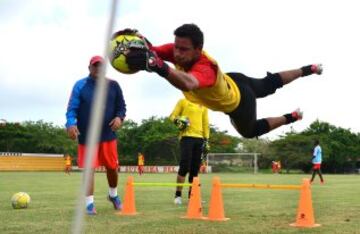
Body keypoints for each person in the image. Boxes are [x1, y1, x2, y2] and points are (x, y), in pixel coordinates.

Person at [117, 24, 323, 139]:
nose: (177, 53)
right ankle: (309, 69)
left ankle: (291, 116)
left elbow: (187, 82)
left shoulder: (206, 68)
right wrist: (134, 41)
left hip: (240, 103)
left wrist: (159, 67)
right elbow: (151, 53)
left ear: (198, 49)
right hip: (234, 80)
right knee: (268, 84)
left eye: (184, 50)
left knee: (250, 132)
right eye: (176, 47)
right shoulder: (176, 49)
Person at [65, 55, 126, 215]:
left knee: (112, 168)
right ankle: (89, 204)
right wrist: (70, 123)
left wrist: (120, 117)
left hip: (108, 135)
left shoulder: (114, 85)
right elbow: (72, 108)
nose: (98, 69)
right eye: (95, 66)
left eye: (101, 66)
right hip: (87, 136)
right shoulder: (80, 85)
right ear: (90, 68)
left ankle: (113, 195)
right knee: (89, 169)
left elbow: (121, 106)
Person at [169, 98, 210, 205]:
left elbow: (205, 123)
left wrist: (206, 140)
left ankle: (193, 196)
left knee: (195, 169)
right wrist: (178, 121)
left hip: (200, 139)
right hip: (186, 137)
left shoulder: (203, 103)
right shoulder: (183, 101)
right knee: (184, 166)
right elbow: (172, 116)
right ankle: (178, 196)